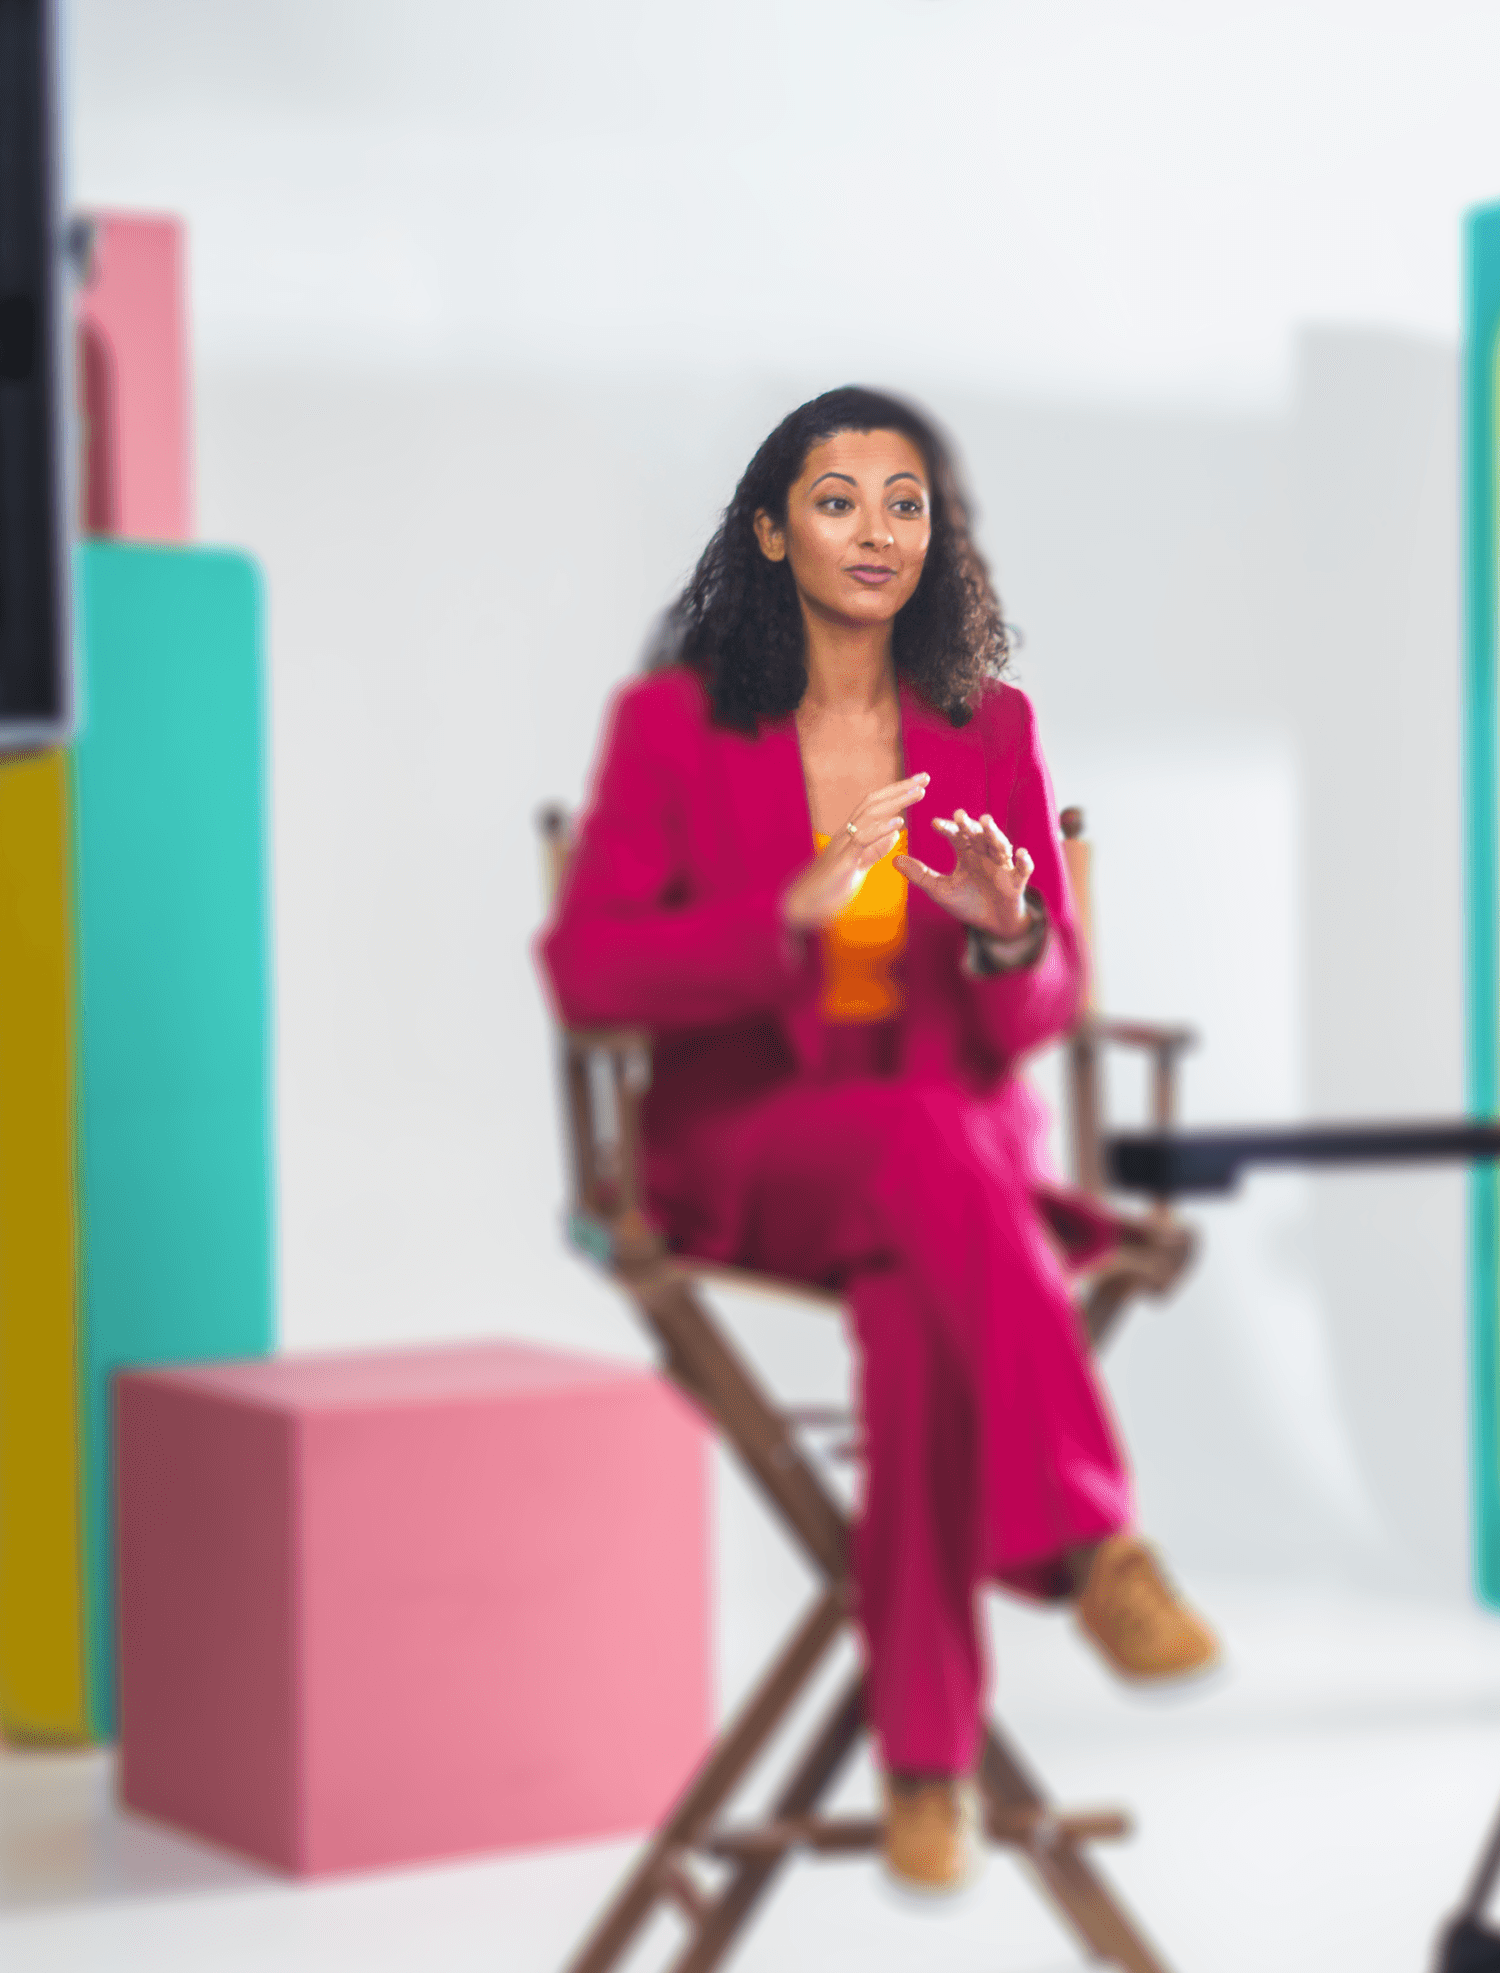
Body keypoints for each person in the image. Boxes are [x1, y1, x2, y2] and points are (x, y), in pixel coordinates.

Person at [540, 386, 1218, 1897]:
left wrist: (1006, 933)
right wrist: (775, 923)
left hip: (941, 1165)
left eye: (906, 501)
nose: (877, 531)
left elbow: (1043, 1010)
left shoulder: (992, 731)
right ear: (774, 528)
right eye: (839, 499)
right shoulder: (675, 727)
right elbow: (589, 971)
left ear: (940, 532)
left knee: (926, 1314)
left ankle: (925, 1762)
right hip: (748, 1143)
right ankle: (1088, 1549)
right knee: (936, 1168)